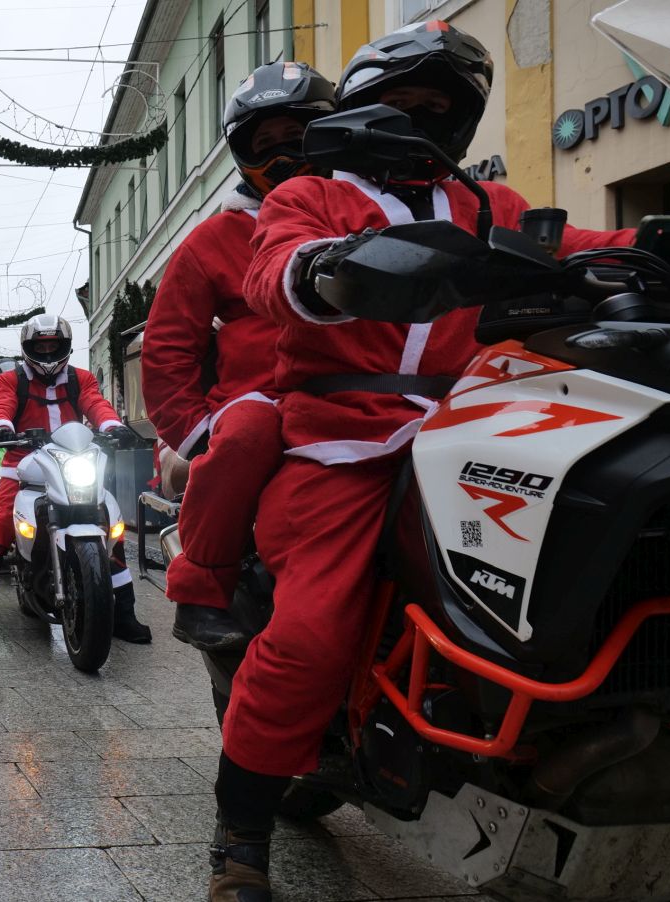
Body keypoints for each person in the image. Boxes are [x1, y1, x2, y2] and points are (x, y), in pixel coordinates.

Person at [207, 23, 636, 901]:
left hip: (482, 427)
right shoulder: (312, 196)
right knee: (313, 631)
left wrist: (651, 248)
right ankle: (240, 830)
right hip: (343, 440)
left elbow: (578, 245)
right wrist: (331, 267)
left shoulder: (487, 206)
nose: (425, 120)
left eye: (442, 108)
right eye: (406, 104)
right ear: (360, 109)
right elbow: (272, 273)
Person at [141, 61, 337, 652]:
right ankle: (200, 587)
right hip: (259, 401)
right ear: (243, 155)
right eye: (267, 146)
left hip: (356, 392)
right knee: (249, 433)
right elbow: (167, 345)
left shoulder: (365, 213)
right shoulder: (213, 239)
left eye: (297, 141)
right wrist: (199, 435)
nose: (284, 159)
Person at [0, 315, 151, 644]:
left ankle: (124, 611)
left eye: (53, 345)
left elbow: (97, 404)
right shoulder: (11, 380)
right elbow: (2, 406)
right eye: (40, 345)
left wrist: (112, 427)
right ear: (29, 348)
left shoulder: (81, 378)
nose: (47, 351)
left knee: (107, 517)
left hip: (74, 458)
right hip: (23, 462)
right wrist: (1, 424)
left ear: (64, 346)